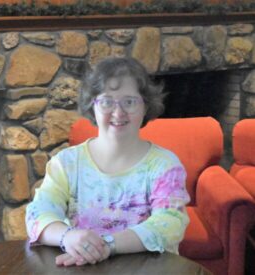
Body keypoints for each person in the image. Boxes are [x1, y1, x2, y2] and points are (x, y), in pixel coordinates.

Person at [25, 57, 190, 267]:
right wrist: (68, 237)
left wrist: (107, 245)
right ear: (92, 105)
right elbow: (37, 213)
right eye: (106, 101)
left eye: (129, 102)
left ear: (145, 107)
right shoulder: (67, 163)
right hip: (80, 268)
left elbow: (170, 224)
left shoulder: (165, 166)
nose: (118, 112)